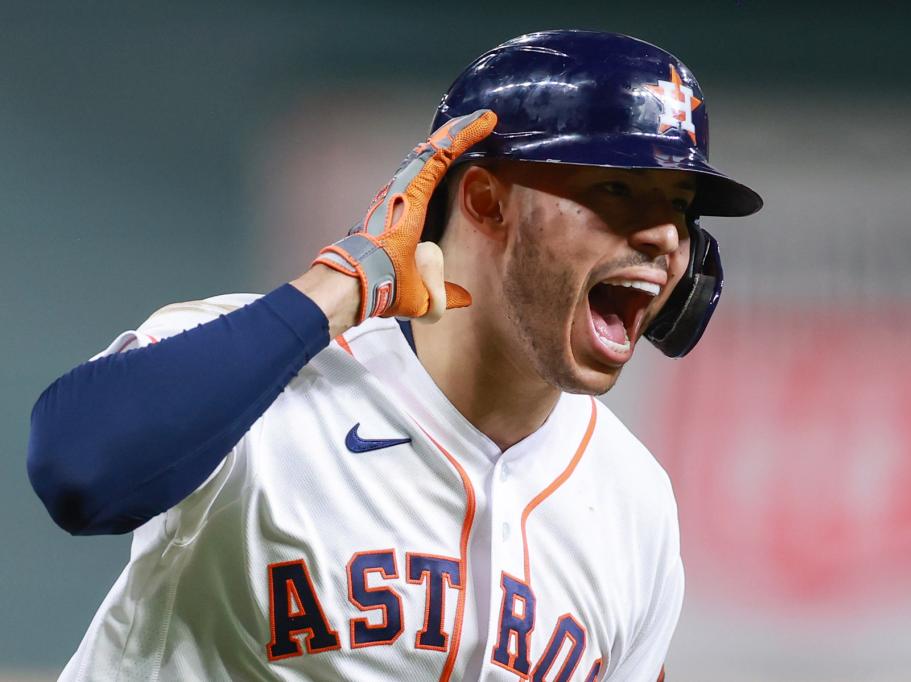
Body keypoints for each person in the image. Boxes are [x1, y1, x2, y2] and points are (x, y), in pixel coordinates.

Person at [28, 30, 761, 681]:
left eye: (679, 206)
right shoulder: (258, 372)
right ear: (483, 202)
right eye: (617, 189)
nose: (665, 238)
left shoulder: (633, 500)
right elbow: (78, 473)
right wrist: (339, 284)